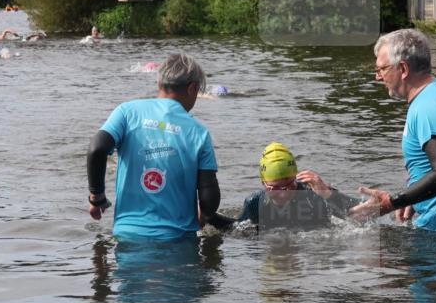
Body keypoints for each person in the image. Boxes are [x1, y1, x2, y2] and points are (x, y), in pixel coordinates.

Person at [349, 29, 436, 232]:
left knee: (368, 256)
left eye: (381, 69)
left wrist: (390, 203)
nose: (378, 77)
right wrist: (414, 196)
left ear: (403, 68)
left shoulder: (428, 107)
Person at [86, 53, 225, 239]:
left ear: (159, 83)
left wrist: (97, 197)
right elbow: (209, 200)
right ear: (193, 88)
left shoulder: (127, 112)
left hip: (128, 237)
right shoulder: (199, 133)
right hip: (178, 241)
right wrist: (203, 216)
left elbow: (97, 149)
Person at [235, 142, 358, 231]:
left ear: (296, 178)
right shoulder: (255, 203)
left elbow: (359, 213)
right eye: (275, 188)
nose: (283, 194)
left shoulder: (313, 195)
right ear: (263, 183)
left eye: (289, 185)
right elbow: (234, 229)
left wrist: (327, 194)